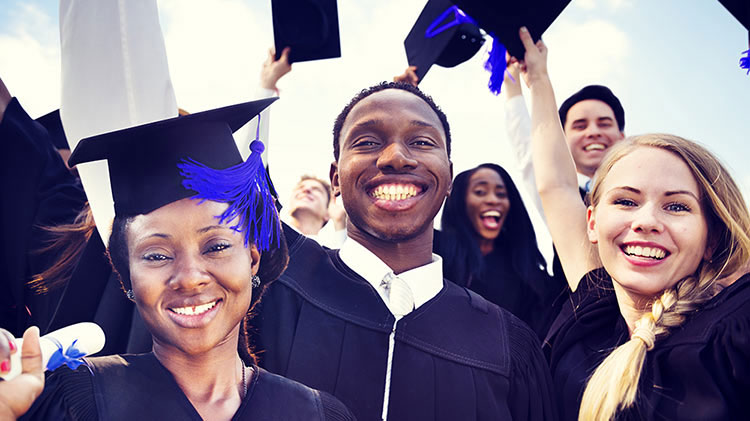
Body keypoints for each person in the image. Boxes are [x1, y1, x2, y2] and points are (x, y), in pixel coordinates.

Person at [1, 99, 354, 420]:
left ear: (253, 257)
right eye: (156, 255)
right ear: (127, 277)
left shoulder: (317, 414)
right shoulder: (69, 401)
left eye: (216, 246)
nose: (189, 277)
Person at [253, 81, 557, 420]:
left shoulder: (508, 346)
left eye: (422, 142)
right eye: (367, 142)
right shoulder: (271, 292)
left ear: (449, 177)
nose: (396, 157)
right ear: (336, 179)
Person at [518, 26, 750, 420]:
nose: (646, 221)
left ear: (712, 236)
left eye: (676, 207)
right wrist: (536, 78)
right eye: (626, 201)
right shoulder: (592, 314)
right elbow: (556, 185)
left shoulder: (735, 329)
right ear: (591, 222)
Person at [435, 163, 562, 337]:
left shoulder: (527, 275)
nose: (493, 200)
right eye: (480, 192)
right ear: (459, 200)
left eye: (501, 194)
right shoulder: (435, 252)